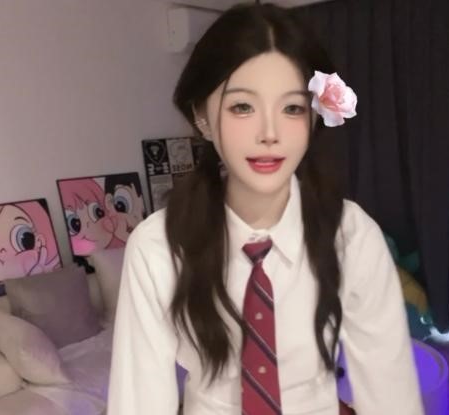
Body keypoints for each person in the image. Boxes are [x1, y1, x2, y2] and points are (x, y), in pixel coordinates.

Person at [108, 3, 422, 414]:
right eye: (242, 107)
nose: (270, 133)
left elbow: (391, 393)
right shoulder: (158, 247)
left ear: (314, 117)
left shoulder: (351, 236)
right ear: (202, 116)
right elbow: (139, 402)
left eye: (292, 108)